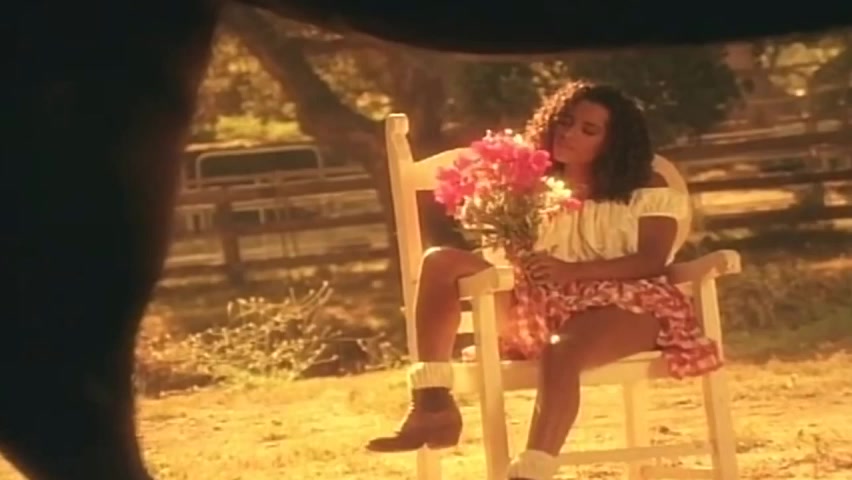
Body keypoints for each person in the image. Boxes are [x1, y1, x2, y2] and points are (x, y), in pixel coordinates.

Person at [365, 81, 722, 480]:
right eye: (564, 121)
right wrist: (516, 246)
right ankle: (432, 406)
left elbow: (651, 259)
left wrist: (572, 272)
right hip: (538, 304)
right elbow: (504, 257)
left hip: (626, 301)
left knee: (562, 350)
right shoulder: (528, 187)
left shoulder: (646, 187)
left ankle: (532, 470)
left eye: (588, 129)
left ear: (614, 141)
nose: (568, 133)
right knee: (439, 261)